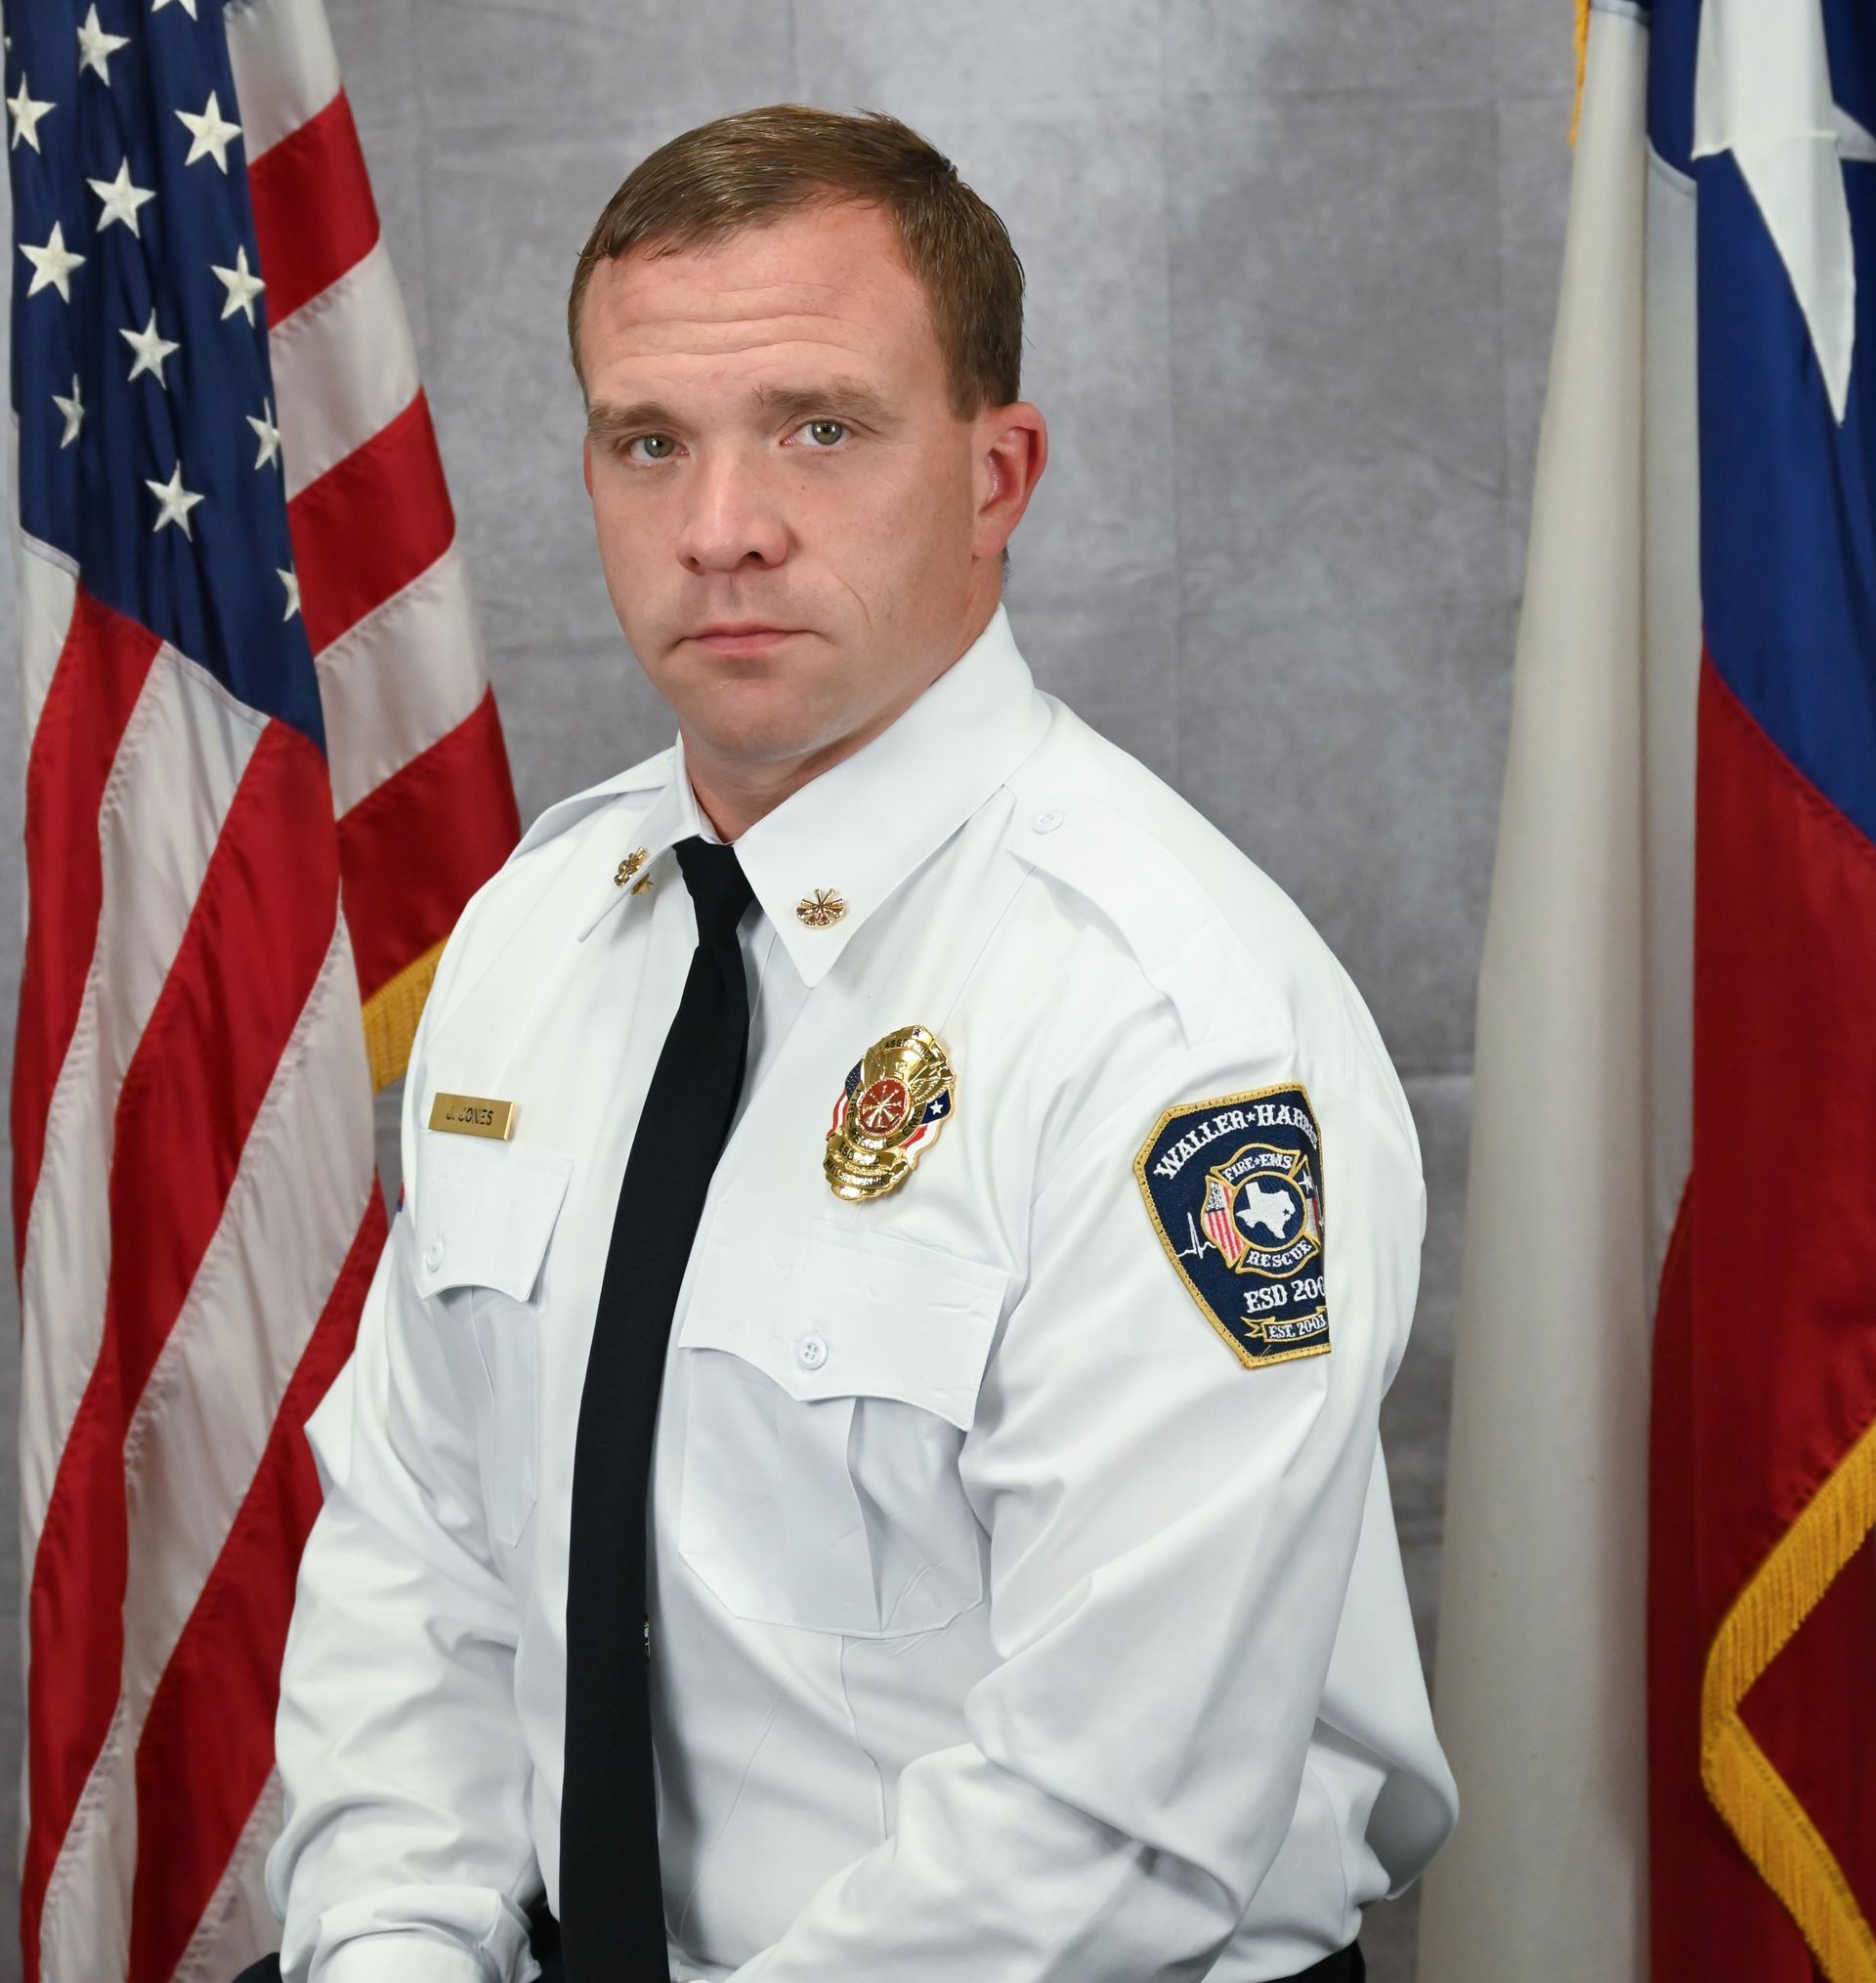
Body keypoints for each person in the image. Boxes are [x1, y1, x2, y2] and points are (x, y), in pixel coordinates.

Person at [256, 102, 1457, 1983]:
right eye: (650, 442)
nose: (723, 528)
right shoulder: (537, 938)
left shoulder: (1170, 1022)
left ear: (999, 472)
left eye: (821, 427)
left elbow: (1105, 1820)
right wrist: (392, 1951)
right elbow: (423, 1572)